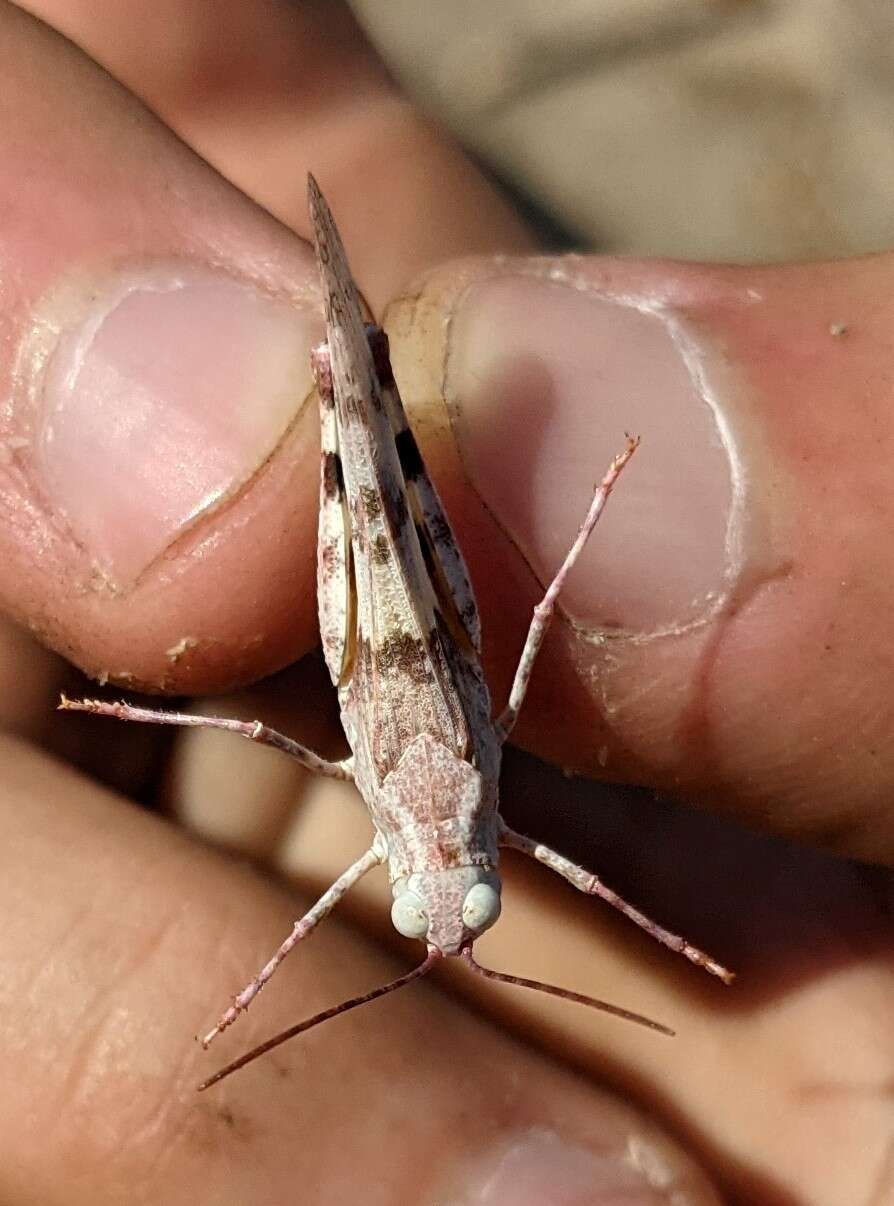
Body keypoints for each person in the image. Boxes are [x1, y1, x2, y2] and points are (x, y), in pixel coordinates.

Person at [0, 4, 890, 1204]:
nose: (449, 905)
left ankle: (342, 354)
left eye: (444, 901)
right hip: (420, 630)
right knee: (369, 465)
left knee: (363, 469)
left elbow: (287, 754)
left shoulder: (448, 842)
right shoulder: (488, 829)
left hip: (377, 647)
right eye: (463, 898)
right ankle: (342, 352)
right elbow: (507, 704)